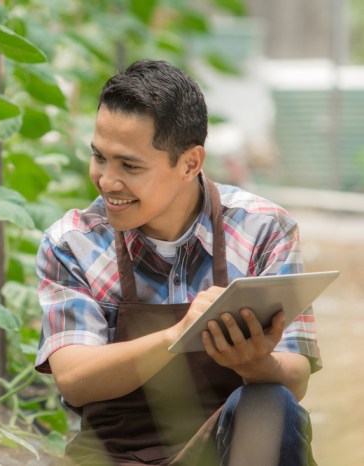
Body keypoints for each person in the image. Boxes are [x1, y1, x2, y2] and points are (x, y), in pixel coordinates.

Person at [34, 60, 321, 466]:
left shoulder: (263, 229)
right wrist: (181, 332)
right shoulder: (72, 242)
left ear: (190, 163)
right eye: (100, 157)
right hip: (114, 456)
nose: (107, 180)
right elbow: (75, 380)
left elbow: (296, 377)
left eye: (129, 166)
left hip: (229, 452)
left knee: (270, 404)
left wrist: (257, 362)